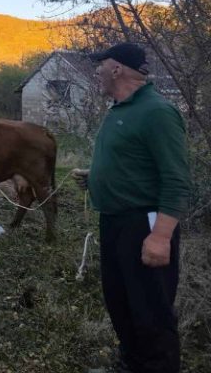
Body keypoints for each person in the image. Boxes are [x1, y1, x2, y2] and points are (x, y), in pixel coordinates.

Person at [72, 42, 190, 373]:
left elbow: (177, 180)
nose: (96, 72)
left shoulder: (157, 112)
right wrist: (95, 178)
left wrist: (161, 237)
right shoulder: (120, 109)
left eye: (99, 65)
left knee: (150, 311)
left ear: (117, 68)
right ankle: (132, 365)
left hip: (145, 225)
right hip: (114, 223)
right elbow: (133, 163)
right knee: (121, 303)